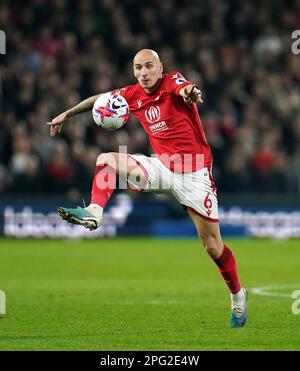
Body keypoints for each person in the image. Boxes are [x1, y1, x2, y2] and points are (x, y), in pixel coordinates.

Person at [47, 49, 247, 328]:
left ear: (160, 67)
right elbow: (99, 100)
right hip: (162, 168)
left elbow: (186, 89)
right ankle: (94, 211)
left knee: (212, 246)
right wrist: (68, 114)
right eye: (138, 68)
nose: (143, 72)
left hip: (194, 173)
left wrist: (192, 93)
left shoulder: (172, 82)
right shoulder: (132, 94)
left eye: (148, 66)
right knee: (106, 160)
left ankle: (238, 296)